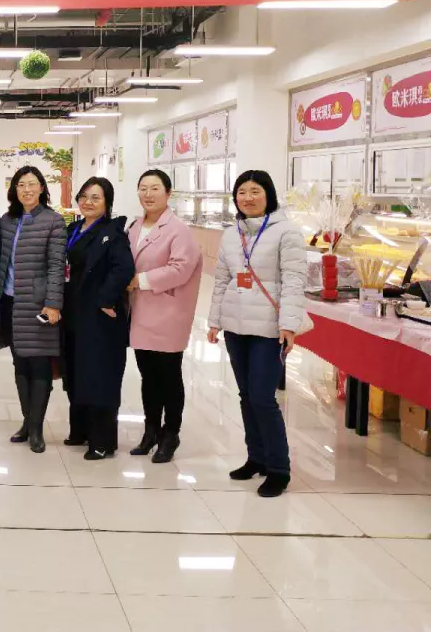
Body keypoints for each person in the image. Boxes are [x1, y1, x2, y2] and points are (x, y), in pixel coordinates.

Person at [207, 170, 308, 498]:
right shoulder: (230, 234)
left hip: (269, 328)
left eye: (255, 191)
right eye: (241, 192)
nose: (247, 198)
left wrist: (288, 324)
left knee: (263, 398)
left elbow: (294, 280)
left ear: (268, 195)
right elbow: (222, 279)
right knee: (246, 395)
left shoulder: (286, 232)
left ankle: (279, 469)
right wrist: (214, 320)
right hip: (236, 325)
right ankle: (257, 457)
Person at [126, 170, 204, 463]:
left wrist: (140, 280)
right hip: (140, 312)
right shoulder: (134, 227)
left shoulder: (178, 230)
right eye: (143, 188)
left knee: (169, 376)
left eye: (155, 188)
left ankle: (171, 433)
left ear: (168, 193)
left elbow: (181, 268)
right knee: (148, 376)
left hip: (168, 313)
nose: (148, 194)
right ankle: (151, 431)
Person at [62, 177, 136, 460]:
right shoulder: (73, 229)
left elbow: (123, 269)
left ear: (107, 203)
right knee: (77, 372)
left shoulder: (113, 233)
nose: (88, 202)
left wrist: (105, 299)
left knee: (100, 376)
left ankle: (102, 441)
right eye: (84, 196)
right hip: (74, 313)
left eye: (96, 197)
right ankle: (80, 430)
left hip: (100, 317)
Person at [0, 166, 65, 453]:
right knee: (20, 363)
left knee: (39, 365)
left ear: (41, 188)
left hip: (38, 305)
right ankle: (27, 421)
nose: (26, 190)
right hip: (10, 302)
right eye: (21, 184)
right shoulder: (7, 220)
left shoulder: (53, 221)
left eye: (32, 184)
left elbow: (57, 266)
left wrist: (53, 303)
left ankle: (36, 428)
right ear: (14, 190)